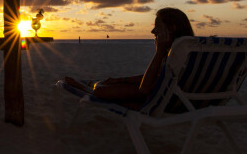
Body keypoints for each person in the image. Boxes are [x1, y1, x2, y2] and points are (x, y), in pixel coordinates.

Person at [65, 8, 193, 109]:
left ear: (172, 28)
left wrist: (159, 52)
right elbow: (158, 76)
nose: (153, 31)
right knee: (114, 84)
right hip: (183, 103)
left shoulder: (175, 54)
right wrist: (121, 79)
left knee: (100, 90)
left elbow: (145, 88)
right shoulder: (191, 52)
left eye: (157, 26)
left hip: (161, 101)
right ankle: (94, 84)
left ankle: (88, 88)